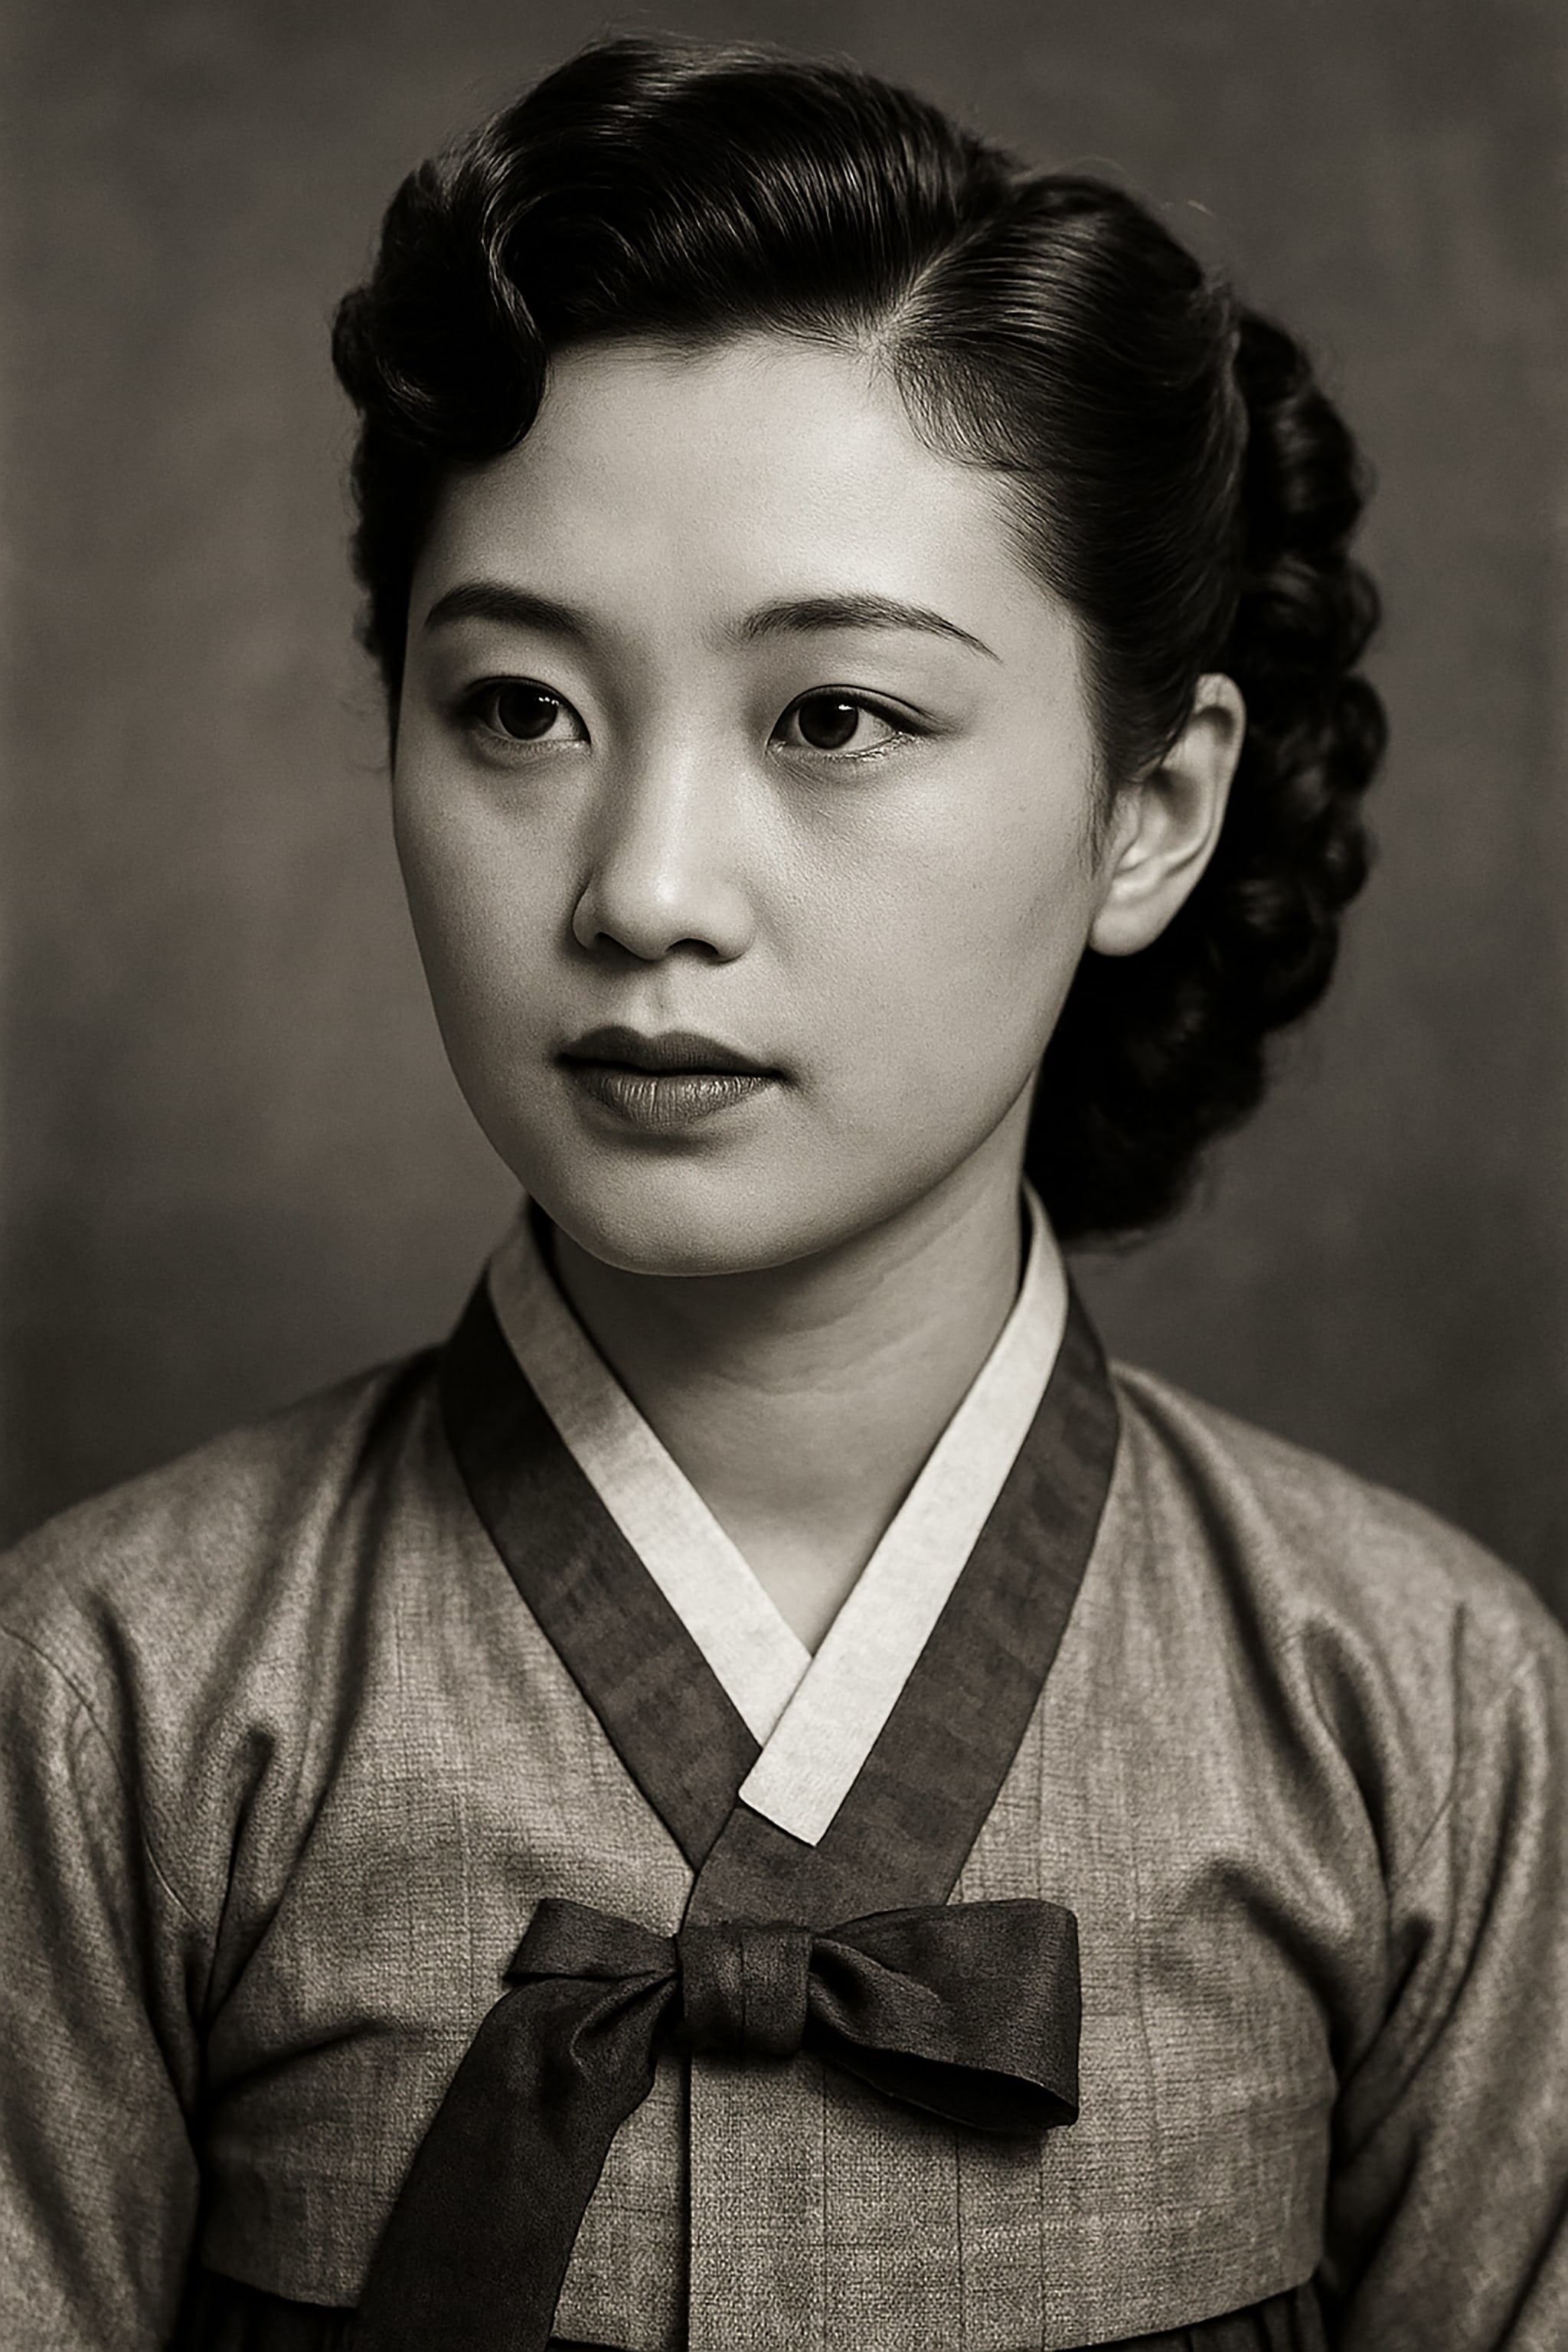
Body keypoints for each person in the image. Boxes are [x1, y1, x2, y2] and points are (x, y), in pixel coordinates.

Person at [2, 31, 1563, 2352]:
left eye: (835, 716)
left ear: (1152, 805)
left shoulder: (1428, 1716)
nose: (643, 889)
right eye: (522, 708)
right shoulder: (106, 1697)